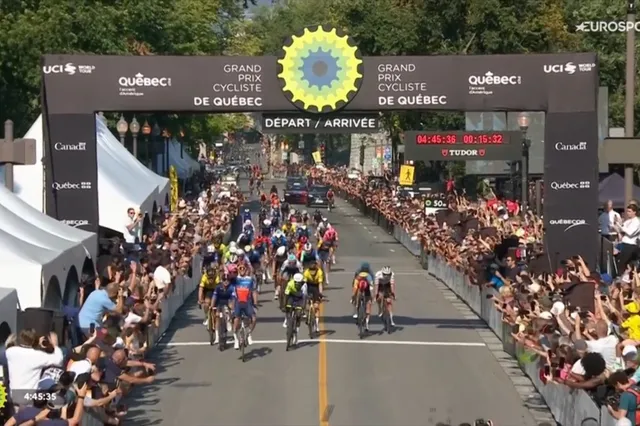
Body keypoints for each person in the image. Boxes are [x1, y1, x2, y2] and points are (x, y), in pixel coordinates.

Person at [232, 264, 257, 350]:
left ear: (246, 269)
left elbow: (253, 291)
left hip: (247, 303)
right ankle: (236, 339)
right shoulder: (235, 279)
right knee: (236, 320)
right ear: (238, 269)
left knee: (253, 319)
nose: (242, 269)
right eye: (240, 268)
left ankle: (249, 334)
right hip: (238, 302)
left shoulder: (250, 279)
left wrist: (255, 303)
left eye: (243, 268)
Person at [283, 273, 308, 341]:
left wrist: (303, 308)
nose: (297, 284)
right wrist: (284, 306)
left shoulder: (304, 286)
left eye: (299, 282)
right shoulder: (290, 284)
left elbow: (304, 298)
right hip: (292, 297)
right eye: (296, 282)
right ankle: (287, 320)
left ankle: (296, 330)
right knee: (288, 308)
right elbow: (286, 295)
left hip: (300, 298)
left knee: (298, 314)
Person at [211, 277, 235, 344]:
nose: (226, 281)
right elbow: (214, 297)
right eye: (224, 280)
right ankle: (217, 337)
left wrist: (233, 307)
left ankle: (228, 320)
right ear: (222, 280)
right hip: (219, 303)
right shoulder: (218, 287)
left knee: (230, 307)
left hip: (228, 301)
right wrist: (212, 306)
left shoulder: (232, 287)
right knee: (217, 317)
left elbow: (233, 299)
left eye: (227, 280)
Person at [303, 260, 325, 333]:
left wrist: (320, 294)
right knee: (306, 300)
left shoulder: (319, 272)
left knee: (316, 306)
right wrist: (304, 293)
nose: (312, 272)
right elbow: (305, 284)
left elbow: (320, 284)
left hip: (316, 286)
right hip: (308, 285)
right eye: (311, 270)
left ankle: (317, 325)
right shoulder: (306, 272)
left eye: (314, 270)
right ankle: (307, 312)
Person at [352, 262, 374, 331]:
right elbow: (372, 284)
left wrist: (353, 296)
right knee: (369, 302)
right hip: (363, 287)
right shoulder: (369, 273)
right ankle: (366, 322)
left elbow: (354, 283)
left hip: (362, 286)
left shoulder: (359, 272)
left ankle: (356, 309)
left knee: (356, 295)